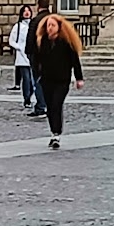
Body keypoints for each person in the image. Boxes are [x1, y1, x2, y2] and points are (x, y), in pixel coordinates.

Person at [34, 13, 85, 149]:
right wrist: (37, 73)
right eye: (48, 25)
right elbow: (36, 60)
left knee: (57, 104)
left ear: (59, 27)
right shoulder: (42, 41)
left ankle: (57, 133)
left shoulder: (66, 43)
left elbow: (75, 61)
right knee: (50, 107)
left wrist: (79, 78)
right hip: (46, 79)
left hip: (62, 80)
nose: (50, 28)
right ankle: (53, 133)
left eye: (52, 25)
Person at [24, 0, 52, 119]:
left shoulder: (36, 21)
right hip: (52, 55)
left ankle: (41, 106)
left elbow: (30, 39)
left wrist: (28, 53)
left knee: (38, 81)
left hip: (38, 55)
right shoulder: (54, 20)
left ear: (38, 7)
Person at [8, 4, 35, 108]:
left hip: (32, 56)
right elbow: (11, 41)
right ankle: (26, 99)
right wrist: (19, 47)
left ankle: (30, 95)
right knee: (26, 79)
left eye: (28, 11)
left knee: (33, 81)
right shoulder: (18, 26)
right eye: (25, 11)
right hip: (22, 57)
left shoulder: (33, 25)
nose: (27, 13)